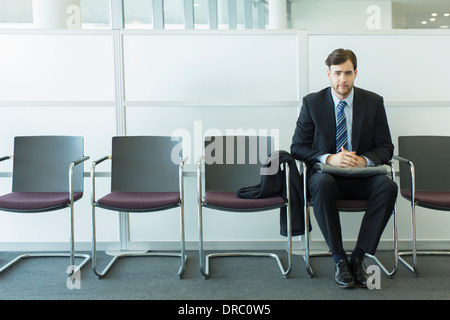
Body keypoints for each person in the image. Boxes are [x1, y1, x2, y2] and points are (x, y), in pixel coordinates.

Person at [290, 48, 398, 289]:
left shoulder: (373, 102)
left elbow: (385, 147)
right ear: (328, 74)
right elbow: (297, 147)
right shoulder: (312, 102)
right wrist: (328, 158)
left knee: (388, 186)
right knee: (319, 182)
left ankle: (358, 258)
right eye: (337, 73)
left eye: (348, 73)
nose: (343, 80)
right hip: (328, 179)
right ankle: (339, 259)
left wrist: (365, 160)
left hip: (363, 178)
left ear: (356, 73)